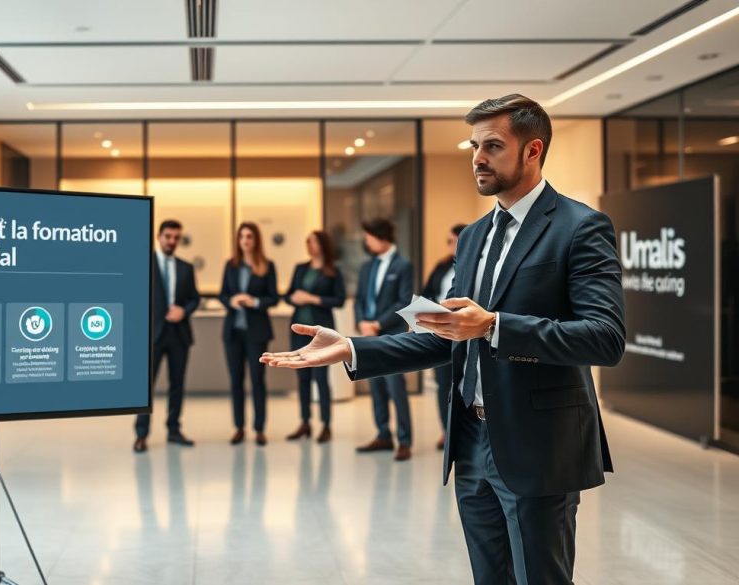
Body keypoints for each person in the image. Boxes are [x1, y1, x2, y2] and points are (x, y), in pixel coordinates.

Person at [262, 94, 623, 585]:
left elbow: (604, 338)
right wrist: (349, 347)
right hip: (471, 442)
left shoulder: (580, 227)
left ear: (533, 150)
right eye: (474, 145)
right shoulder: (473, 237)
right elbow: (445, 336)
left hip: (538, 445)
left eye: (492, 146)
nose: (477, 157)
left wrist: (495, 325)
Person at [134, 219, 200, 453]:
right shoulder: (143, 263)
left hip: (179, 335)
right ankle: (141, 434)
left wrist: (184, 310)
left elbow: (194, 298)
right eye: (168, 236)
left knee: (177, 385)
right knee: (145, 387)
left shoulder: (186, 267)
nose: (172, 241)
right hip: (152, 335)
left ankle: (174, 430)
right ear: (158, 236)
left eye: (176, 238)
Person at [353, 218, 415, 461]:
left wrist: (377, 323)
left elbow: (403, 302)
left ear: (381, 237)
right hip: (368, 335)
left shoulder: (403, 265)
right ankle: (382, 434)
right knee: (375, 387)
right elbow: (359, 299)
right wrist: (361, 322)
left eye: (369, 237)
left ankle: (405, 440)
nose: (366, 242)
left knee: (395, 388)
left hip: (391, 334)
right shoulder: (366, 267)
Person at [283, 231, 346, 443]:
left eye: (314, 242)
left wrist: (312, 298)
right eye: (307, 242)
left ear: (322, 245)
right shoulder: (301, 269)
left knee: (321, 379)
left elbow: (339, 300)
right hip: (299, 330)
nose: (310, 245)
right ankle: (305, 422)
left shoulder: (332, 272)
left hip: (321, 333)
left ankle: (326, 424)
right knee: (302, 378)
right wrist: (293, 298)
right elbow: (288, 294)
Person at [220, 222, 279, 446]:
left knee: (257, 381)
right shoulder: (231, 266)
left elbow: (273, 298)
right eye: (242, 236)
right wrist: (232, 301)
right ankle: (239, 427)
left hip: (257, 333)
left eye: (249, 237)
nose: (245, 240)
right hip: (233, 332)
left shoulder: (267, 266)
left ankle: (259, 428)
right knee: (236, 381)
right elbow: (222, 295)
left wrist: (254, 301)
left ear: (256, 241)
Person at [422, 223, 467, 451]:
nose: (449, 246)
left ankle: (463, 432)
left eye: (452, 241)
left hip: (465, 333)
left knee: (462, 384)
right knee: (443, 385)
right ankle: (446, 431)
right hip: (440, 331)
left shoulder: (474, 265)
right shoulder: (441, 267)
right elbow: (427, 291)